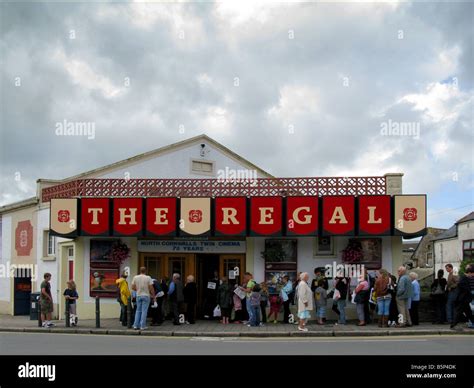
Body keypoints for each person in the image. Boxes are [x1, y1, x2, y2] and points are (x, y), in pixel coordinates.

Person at [451, 264, 474, 329]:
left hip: (465, 299)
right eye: (472, 274)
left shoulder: (465, 278)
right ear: (469, 273)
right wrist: (469, 292)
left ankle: (473, 322)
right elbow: (462, 286)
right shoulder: (463, 278)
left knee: (468, 312)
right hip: (462, 299)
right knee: (459, 312)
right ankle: (453, 325)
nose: (473, 275)